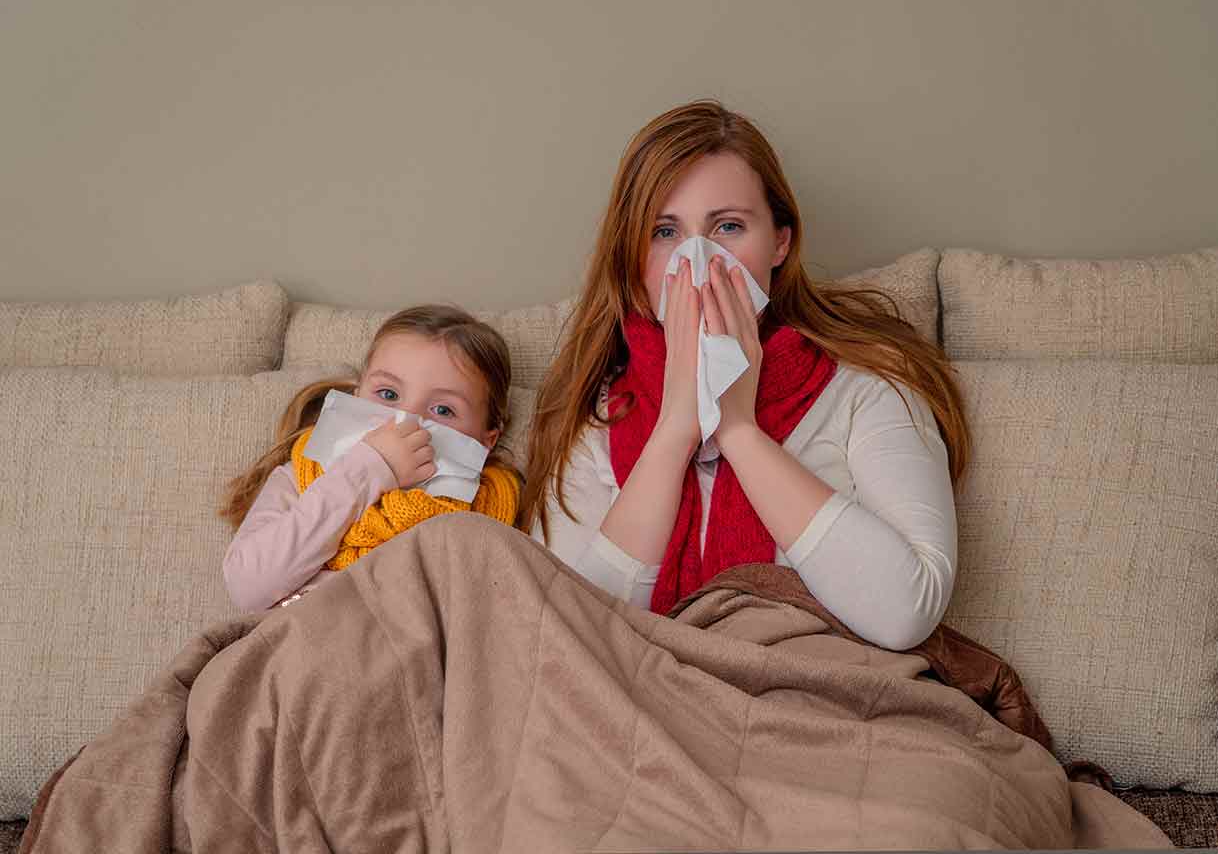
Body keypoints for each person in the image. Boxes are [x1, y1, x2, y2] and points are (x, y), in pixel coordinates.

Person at [521, 100, 968, 651]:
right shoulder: (596, 417)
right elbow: (564, 644)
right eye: (665, 232)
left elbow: (907, 611)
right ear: (634, 265)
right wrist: (676, 428)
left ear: (780, 241)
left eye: (728, 226)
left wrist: (738, 430)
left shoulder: (867, 388)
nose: (699, 259)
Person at [219, 304, 519, 612]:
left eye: (443, 410)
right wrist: (366, 470)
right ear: (357, 395)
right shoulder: (300, 476)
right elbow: (247, 588)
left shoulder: (488, 512)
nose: (405, 423)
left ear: (486, 440)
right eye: (388, 395)